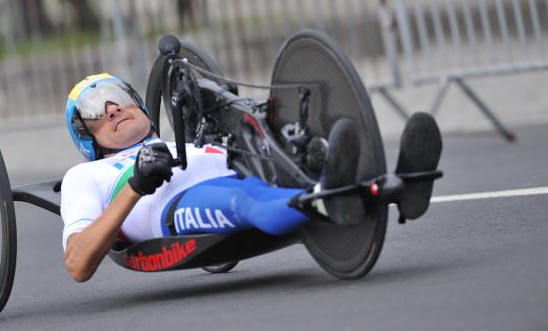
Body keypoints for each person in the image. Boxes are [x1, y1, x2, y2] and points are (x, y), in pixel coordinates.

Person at [60, 73, 441, 282]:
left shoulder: (186, 139)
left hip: (248, 173)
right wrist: (136, 184)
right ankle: (325, 197)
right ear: (86, 135)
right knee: (242, 199)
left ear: (138, 103)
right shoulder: (87, 175)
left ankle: (400, 184)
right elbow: (77, 263)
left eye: (116, 95)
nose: (110, 108)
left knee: (295, 154)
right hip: (174, 207)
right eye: (94, 110)